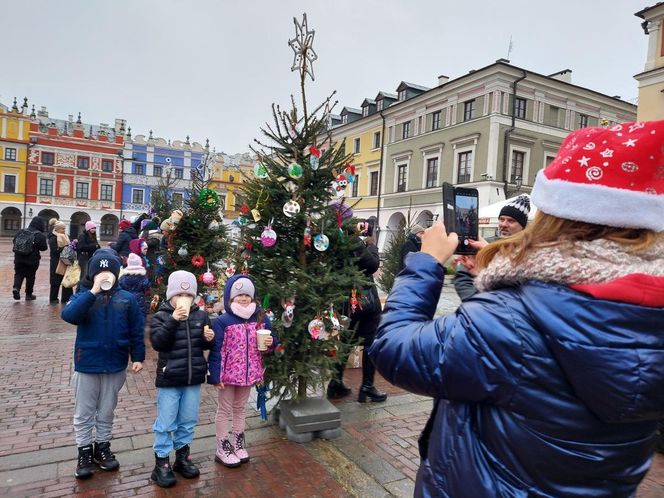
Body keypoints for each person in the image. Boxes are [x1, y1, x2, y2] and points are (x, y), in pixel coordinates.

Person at [369, 120, 664, 497]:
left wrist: (425, 263)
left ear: (557, 211)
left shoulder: (511, 320)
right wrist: (501, 274)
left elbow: (394, 348)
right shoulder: (649, 309)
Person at [61, 249, 145, 480]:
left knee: (107, 410)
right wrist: (93, 291)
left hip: (115, 363)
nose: (106, 275)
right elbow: (69, 315)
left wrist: (138, 356)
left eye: (110, 271)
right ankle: (84, 451)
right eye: (101, 271)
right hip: (87, 363)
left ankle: (102, 447)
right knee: (84, 412)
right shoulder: (83, 295)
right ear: (93, 274)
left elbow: (136, 330)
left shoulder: (126, 299)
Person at [149, 270, 214, 488]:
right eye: (180, 295)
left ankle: (182, 457)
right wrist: (173, 320)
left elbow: (204, 345)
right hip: (170, 378)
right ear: (171, 296)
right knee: (166, 421)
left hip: (193, 377)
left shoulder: (201, 315)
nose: (184, 300)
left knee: (187, 420)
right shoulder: (162, 315)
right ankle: (161, 463)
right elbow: (158, 342)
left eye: (188, 296)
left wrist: (209, 339)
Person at [208, 275, 274, 467]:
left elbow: (271, 341)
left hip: (249, 372)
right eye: (239, 295)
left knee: (240, 408)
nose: (244, 298)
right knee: (224, 410)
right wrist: (215, 375)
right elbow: (216, 349)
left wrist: (270, 344)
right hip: (227, 375)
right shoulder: (222, 321)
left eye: (247, 295)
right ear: (230, 297)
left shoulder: (260, 317)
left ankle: (238, 443)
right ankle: (222, 446)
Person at [327, 220, 387, 403]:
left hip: (343, 301)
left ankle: (335, 383)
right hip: (363, 302)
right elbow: (372, 264)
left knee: (345, 339)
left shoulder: (330, 239)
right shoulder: (351, 241)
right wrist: (372, 245)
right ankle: (367, 386)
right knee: (370, 341)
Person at [453, 194, 530, 302]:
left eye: (511, 221)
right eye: (501, 219)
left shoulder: (529, 251)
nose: (503, 224)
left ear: (522, 226)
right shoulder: (484, 244)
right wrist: (474, 301)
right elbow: (462, 276)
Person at [12, 216, 48, 301]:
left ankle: (16, 288)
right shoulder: (40, 235)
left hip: (19, 257)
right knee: (31, 276)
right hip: (32, 260)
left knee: (18, 274)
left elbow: (14, 241)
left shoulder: (21, 231)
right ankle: (28, 295)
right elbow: (44, 248)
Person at [48, 220, 74, 304]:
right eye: (62, 229)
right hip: (56, 262)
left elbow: (71, 247)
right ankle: (53, 299)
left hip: (66, 261)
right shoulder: (53, 237)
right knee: (55, 281)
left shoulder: (67, 236)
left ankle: (66, 298)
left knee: (67, 279)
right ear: (57, 229)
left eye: (64, 228)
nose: (64, 230)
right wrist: (67, 247)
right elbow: (55, 250)